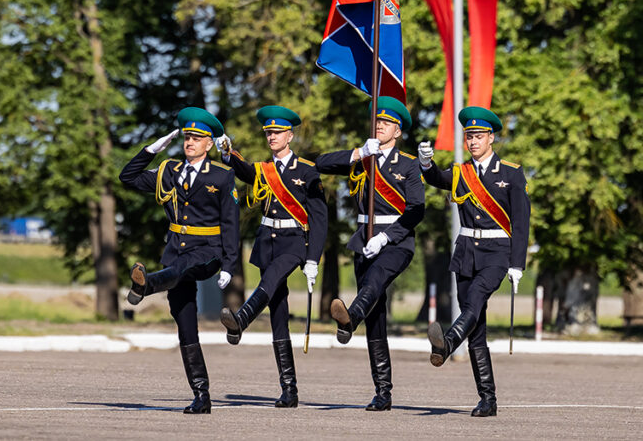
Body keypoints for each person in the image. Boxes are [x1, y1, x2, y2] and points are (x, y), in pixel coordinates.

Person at [118, 107, 240, 415]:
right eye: (187, 137)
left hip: (208, 249)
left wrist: (230, 264)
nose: (190, 142)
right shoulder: (169, 170)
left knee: (183, 269)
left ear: (209, 144)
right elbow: (127, 177)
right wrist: (152, 149)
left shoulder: (222, 176)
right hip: (175, 249)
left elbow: (231, 223)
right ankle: (202, 395)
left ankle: (146, 286)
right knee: (185, 325)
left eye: (197, 138)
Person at [418, 106, 531, 418]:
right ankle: (488, 399)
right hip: (467, 251)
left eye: (479, 136)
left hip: (497, 253)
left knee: (475, 301)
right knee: (477, 326)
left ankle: (447, 343)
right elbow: (436, 178)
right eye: (469, 136)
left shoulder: (511, 172)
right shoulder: (460, 173)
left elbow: (521, 221)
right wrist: (426, 163)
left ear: (491, 138)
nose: (473, 141)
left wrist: (517, 263)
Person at [314, 96, 425, 411]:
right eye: (377, 122)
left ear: (398, 132)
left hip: (396, 242)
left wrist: (387, 237)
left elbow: (417, 210)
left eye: (387, 123)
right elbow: (321, 163)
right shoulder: (363, 158)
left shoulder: (408, 165)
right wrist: (358, 153)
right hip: (363, 239)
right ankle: (383, 393)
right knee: (377, 319)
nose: (380, 126)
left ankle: (351, 318)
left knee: (374, 281)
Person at [215, 105, 327, 409]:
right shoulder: (265, 169)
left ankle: (241, 319)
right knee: (278, 312)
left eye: (277, 132)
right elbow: (248, 173)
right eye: (268, 133)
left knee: (273, 277)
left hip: (294, 242)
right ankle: (289, 390)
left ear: (289, 136)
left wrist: (314, 257)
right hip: (267, 239)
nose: (272, 136)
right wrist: (228, 154)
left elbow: (319, 217)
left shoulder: (307, 170)